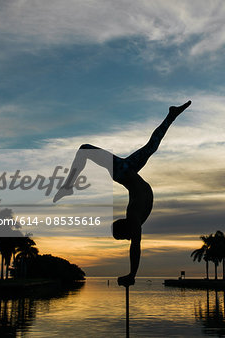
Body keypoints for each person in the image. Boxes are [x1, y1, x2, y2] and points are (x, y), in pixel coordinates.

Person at [53, 100, 192, 286]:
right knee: (152, 146)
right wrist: (131, 274)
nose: (129, 238)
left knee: (84, 149)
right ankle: (171, 115)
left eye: (124, 236)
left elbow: (135, 247)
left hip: (123, 171)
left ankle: (68, 185)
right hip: (130, 171)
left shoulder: (133, 216)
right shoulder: (135, 218)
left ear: (125, 227)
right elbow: (134, 243)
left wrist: (132, 274)